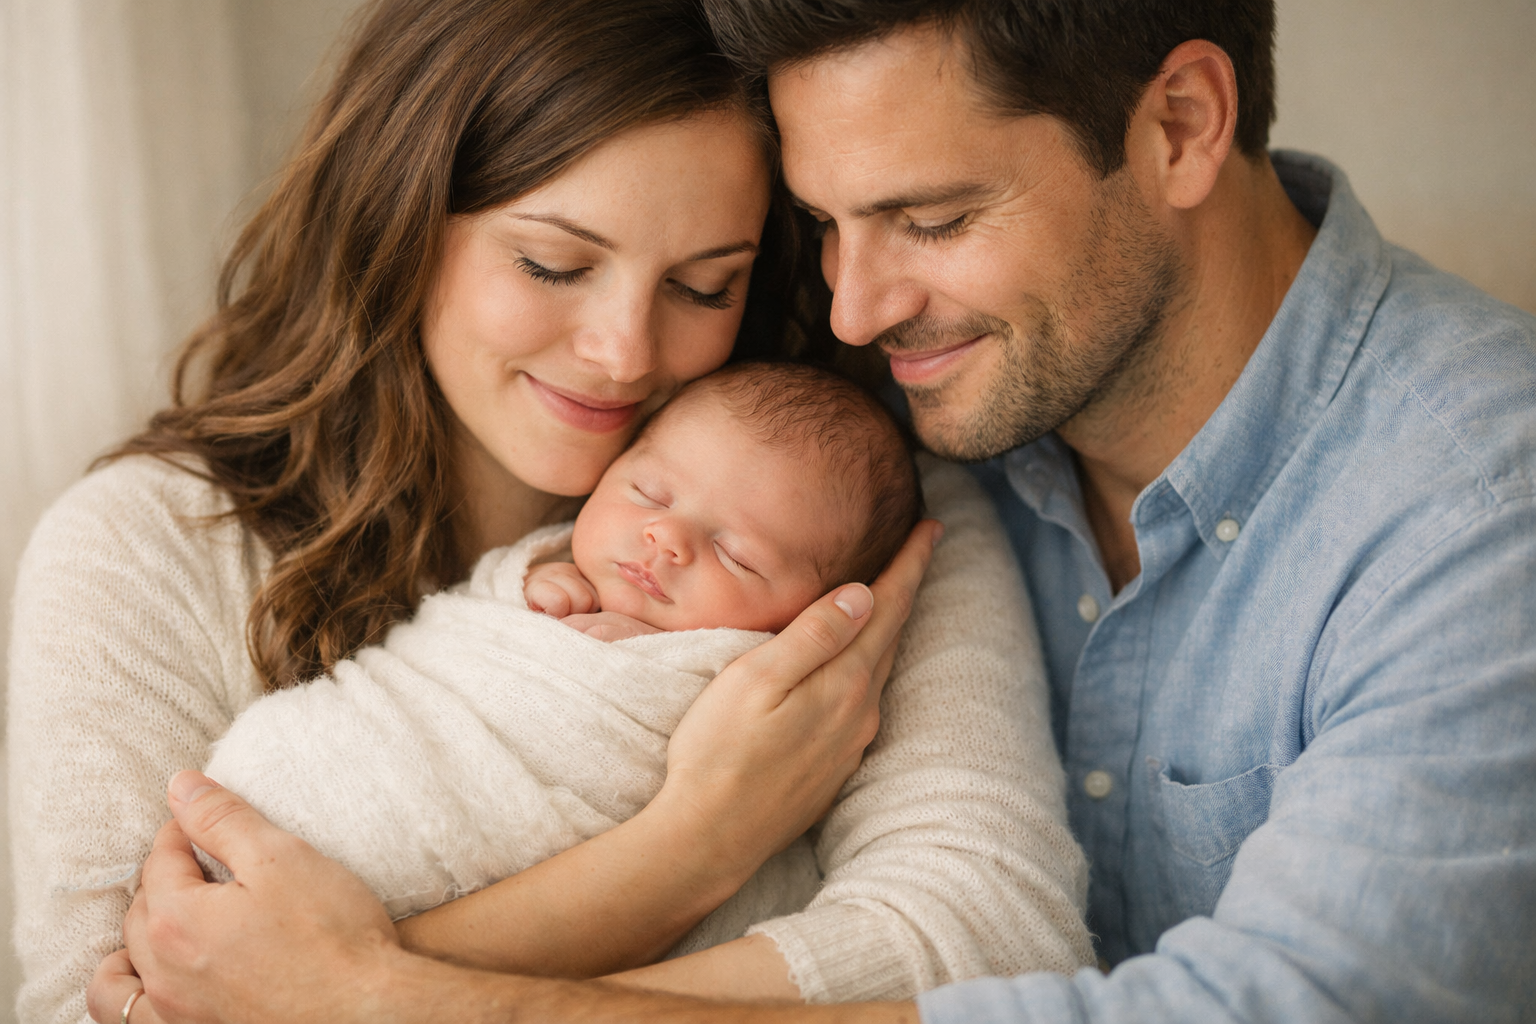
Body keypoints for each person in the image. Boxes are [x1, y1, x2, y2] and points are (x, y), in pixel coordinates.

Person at [86, 0, 1536, 1021]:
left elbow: (1268, 1003)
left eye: (933, 219)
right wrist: (672, 858)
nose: (852, 311)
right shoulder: (936, 425)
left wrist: (381, 1000)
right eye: (825, 230)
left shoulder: (1477, 505)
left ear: (1179, 124)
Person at [10, 1, 1099, 1022]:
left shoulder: (850, 511)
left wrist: (347, 990)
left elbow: (991, 944)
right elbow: (115, 1000)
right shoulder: (149, 553)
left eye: (704, 286)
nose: (623, 352)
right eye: (552, 264)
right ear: (400, 222)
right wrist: (686, 852)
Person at [197, 363, 934, 947]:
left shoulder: (754, 672)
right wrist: (530, 589)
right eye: (649, 493)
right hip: (362, 748)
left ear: (814, 611)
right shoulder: (546, 564)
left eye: (737, 556)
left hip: (458, 851)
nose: (667, 538)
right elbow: (462, 630)